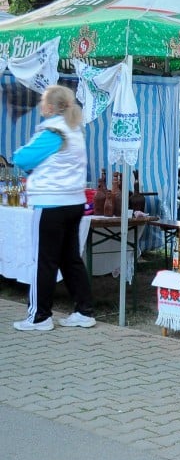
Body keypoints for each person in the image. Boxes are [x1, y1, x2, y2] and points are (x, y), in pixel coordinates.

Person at [12, 84, 96, 332]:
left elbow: (22, 158)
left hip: (50, 203)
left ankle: (39, 316)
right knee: (70, 258)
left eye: (42, 102)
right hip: (74, 202)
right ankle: (84, 310)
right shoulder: (74, 130)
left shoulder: (52, 131)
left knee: (44, 260)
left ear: (49, 106)